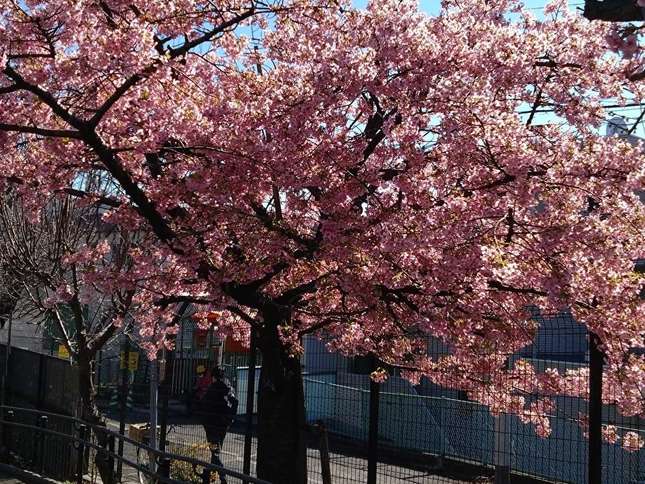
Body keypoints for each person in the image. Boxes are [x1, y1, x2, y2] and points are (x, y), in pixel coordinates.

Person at [194, 366, 237, 484]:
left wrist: (204, 421)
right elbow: (235, 402)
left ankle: (223, 477)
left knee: (215, 453)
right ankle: (211, 478)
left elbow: (203, 405)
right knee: (216, 451)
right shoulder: (228, 388)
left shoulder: (212, 389)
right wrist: (230, 419)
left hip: (211, 425)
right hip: (223, 425)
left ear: (213, 377)